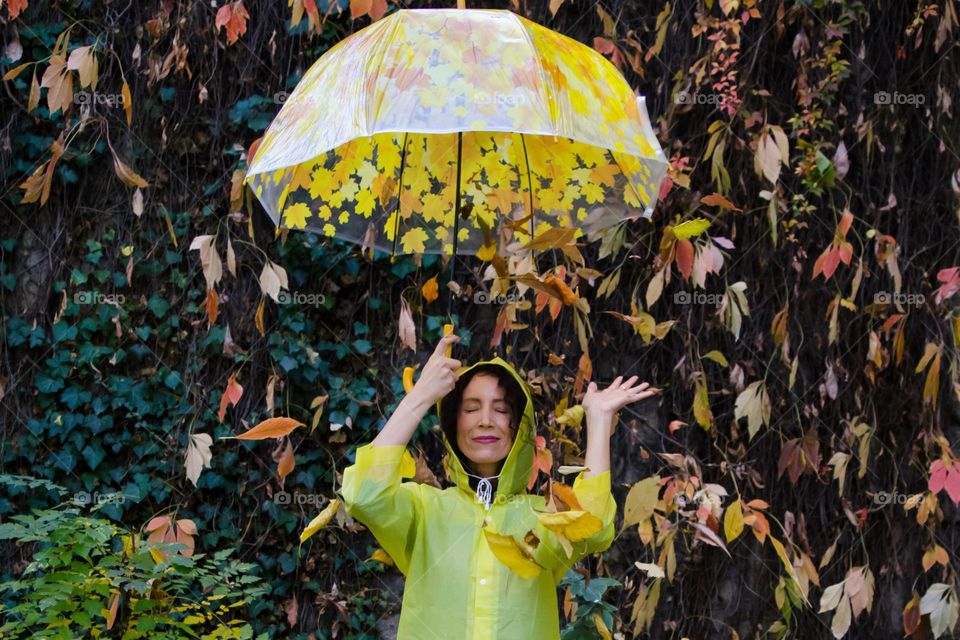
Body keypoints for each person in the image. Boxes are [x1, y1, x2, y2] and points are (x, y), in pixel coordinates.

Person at [340, 333, 659, 639]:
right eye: (471, 408)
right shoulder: (424, 511)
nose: (486, 420)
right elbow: (365, 496)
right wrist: (420, 397)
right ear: (453, 423)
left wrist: (600, 421)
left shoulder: (542, 516)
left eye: (502, 409)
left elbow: (592, 525)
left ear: (520, 427)